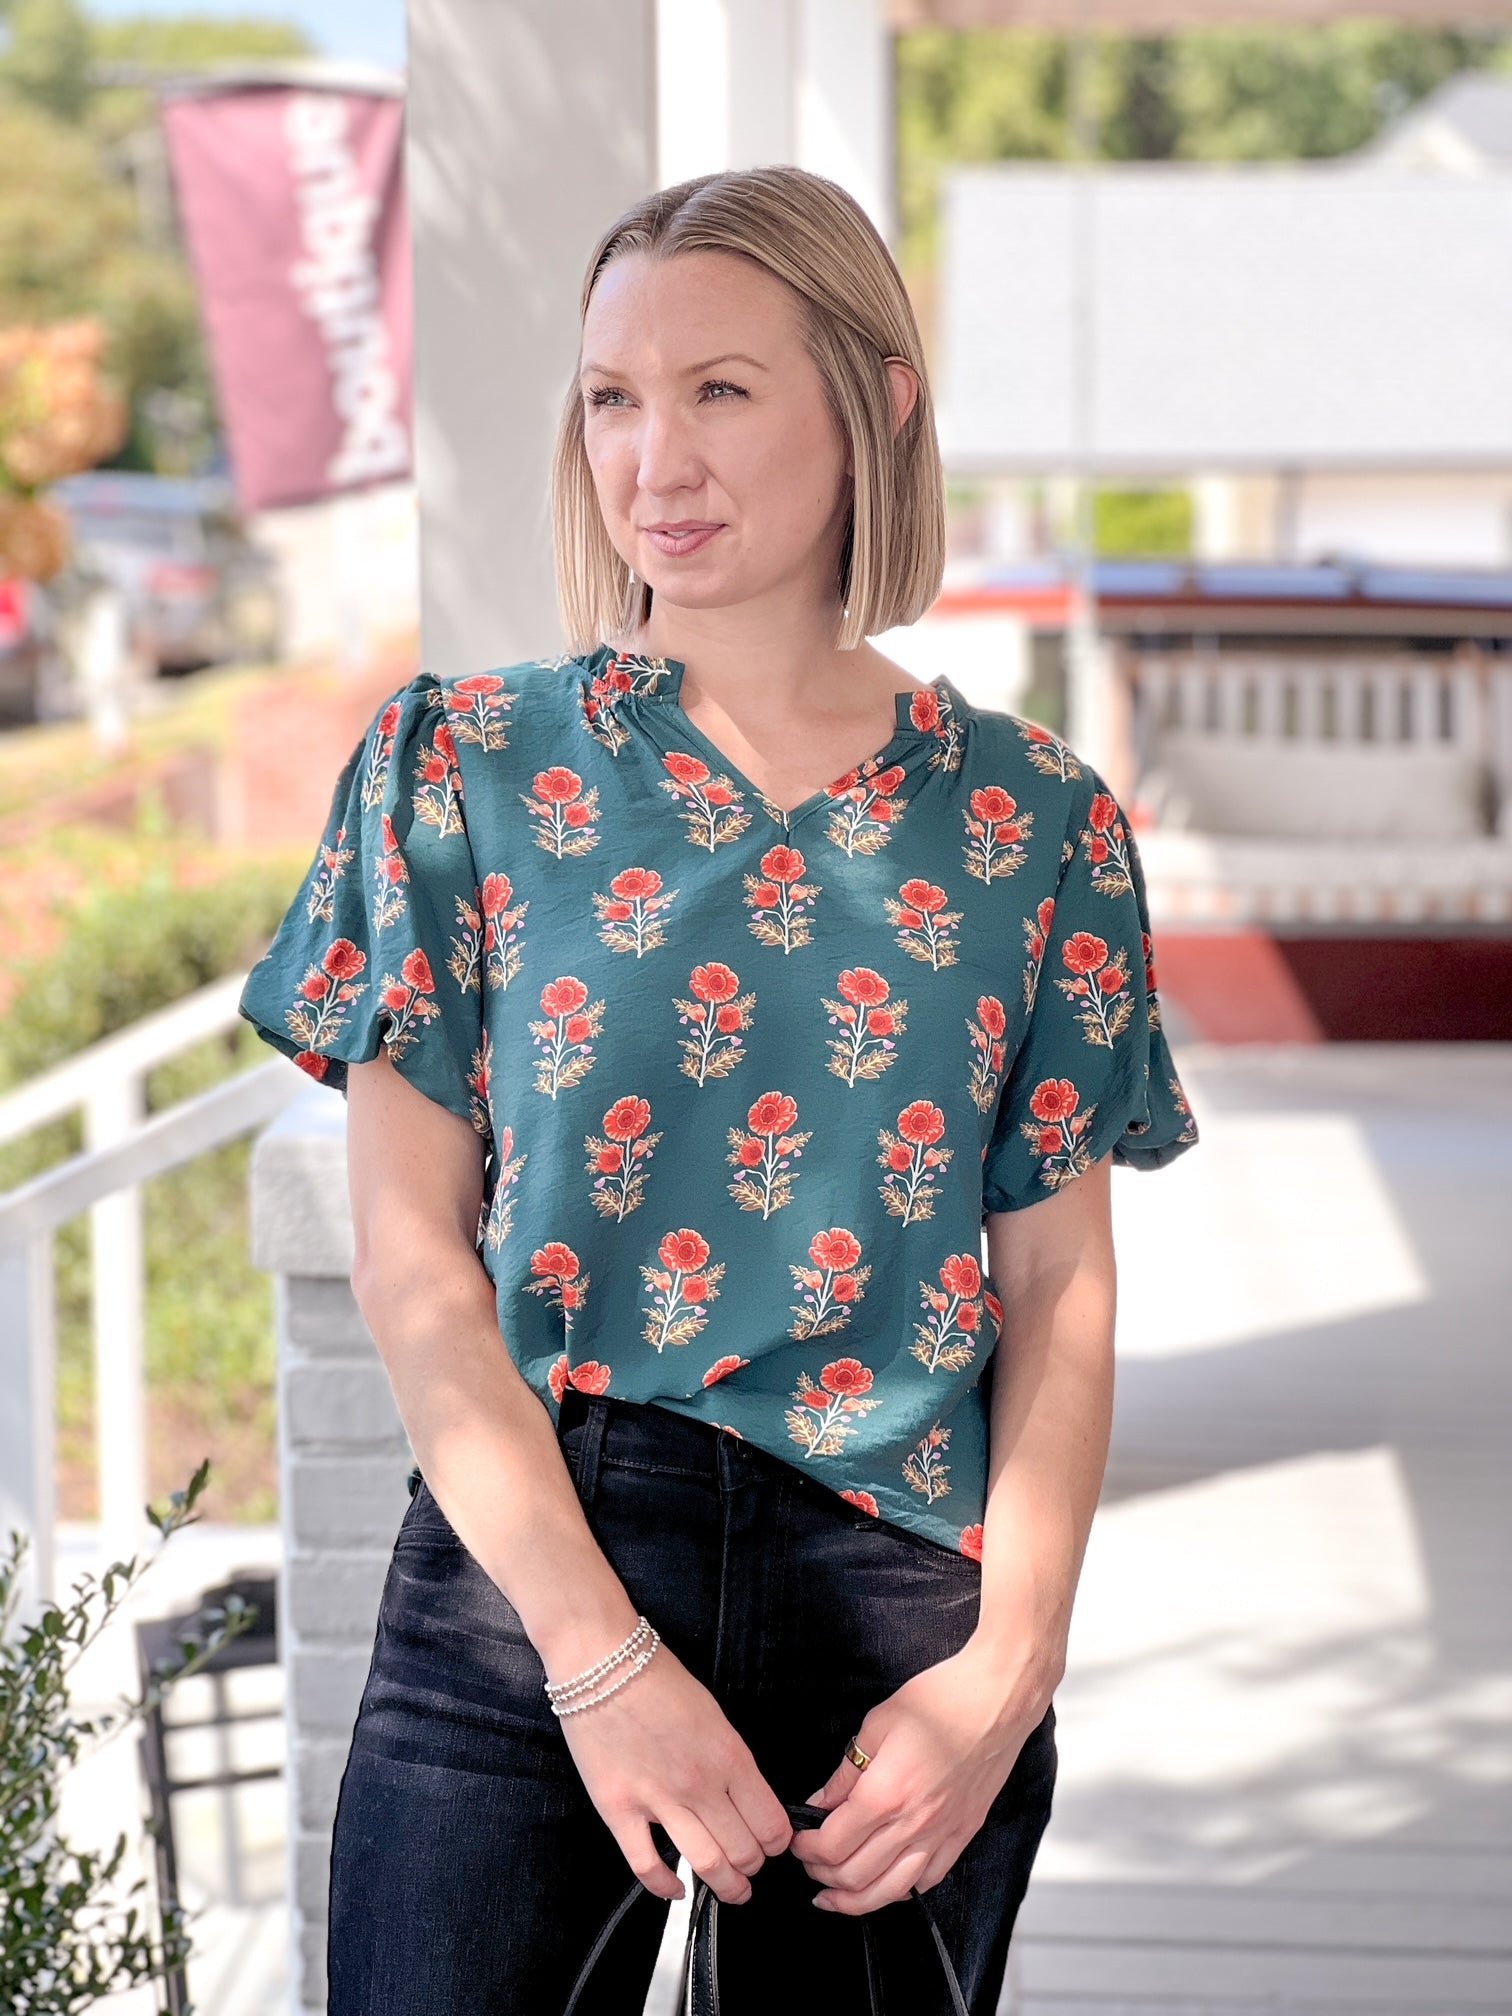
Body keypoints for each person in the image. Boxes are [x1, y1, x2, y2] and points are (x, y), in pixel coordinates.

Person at [238, 164, 1200, 2015]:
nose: (650, 454)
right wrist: (599, 1665)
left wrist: (1010, 1667)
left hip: (899, 1596)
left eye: (720, 390)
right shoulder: (462, 766)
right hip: (538, 1573)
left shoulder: (1037, 827)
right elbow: (413, 1255)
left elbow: (1060, 1292)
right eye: (613, 396)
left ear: (875, 402)